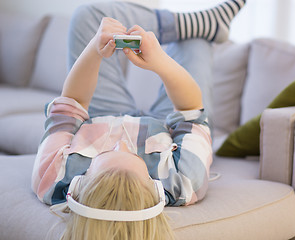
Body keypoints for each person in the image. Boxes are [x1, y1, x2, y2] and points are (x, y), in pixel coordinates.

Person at [31, 0, 246, 239]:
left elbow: (72, 104)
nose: (123, 142)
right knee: (195, 43)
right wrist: (160, 63)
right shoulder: (185, 181)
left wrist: (94, 50)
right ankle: (201, 24)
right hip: (168, 126)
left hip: (100, 115)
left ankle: (195, 23)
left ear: (78, 183)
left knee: (88, 15)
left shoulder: (53, 178)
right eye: (135, 155)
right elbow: (191, 108)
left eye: (106, 153)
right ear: (156, 187)